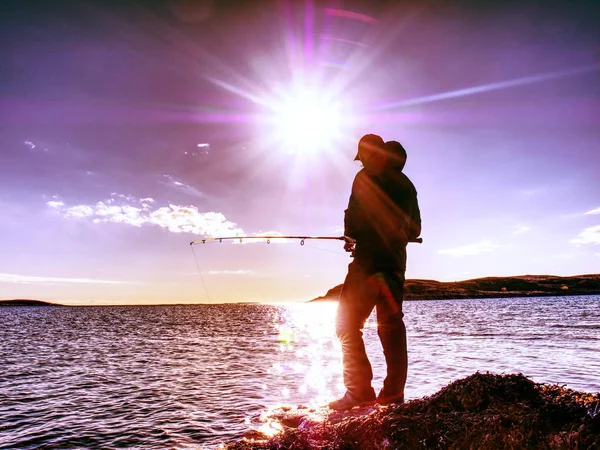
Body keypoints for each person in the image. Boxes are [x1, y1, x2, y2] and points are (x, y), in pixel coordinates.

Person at [329, 134, 422, 411]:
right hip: (395, 266)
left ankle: (359, 392)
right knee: (391, 328)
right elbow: (415, 230)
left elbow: (355, 223)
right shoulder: (407, 185)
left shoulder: (364, 178)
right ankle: (393, 395)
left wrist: (350, 237)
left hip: (368, 264)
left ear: (366, 155)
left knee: (346, 325)